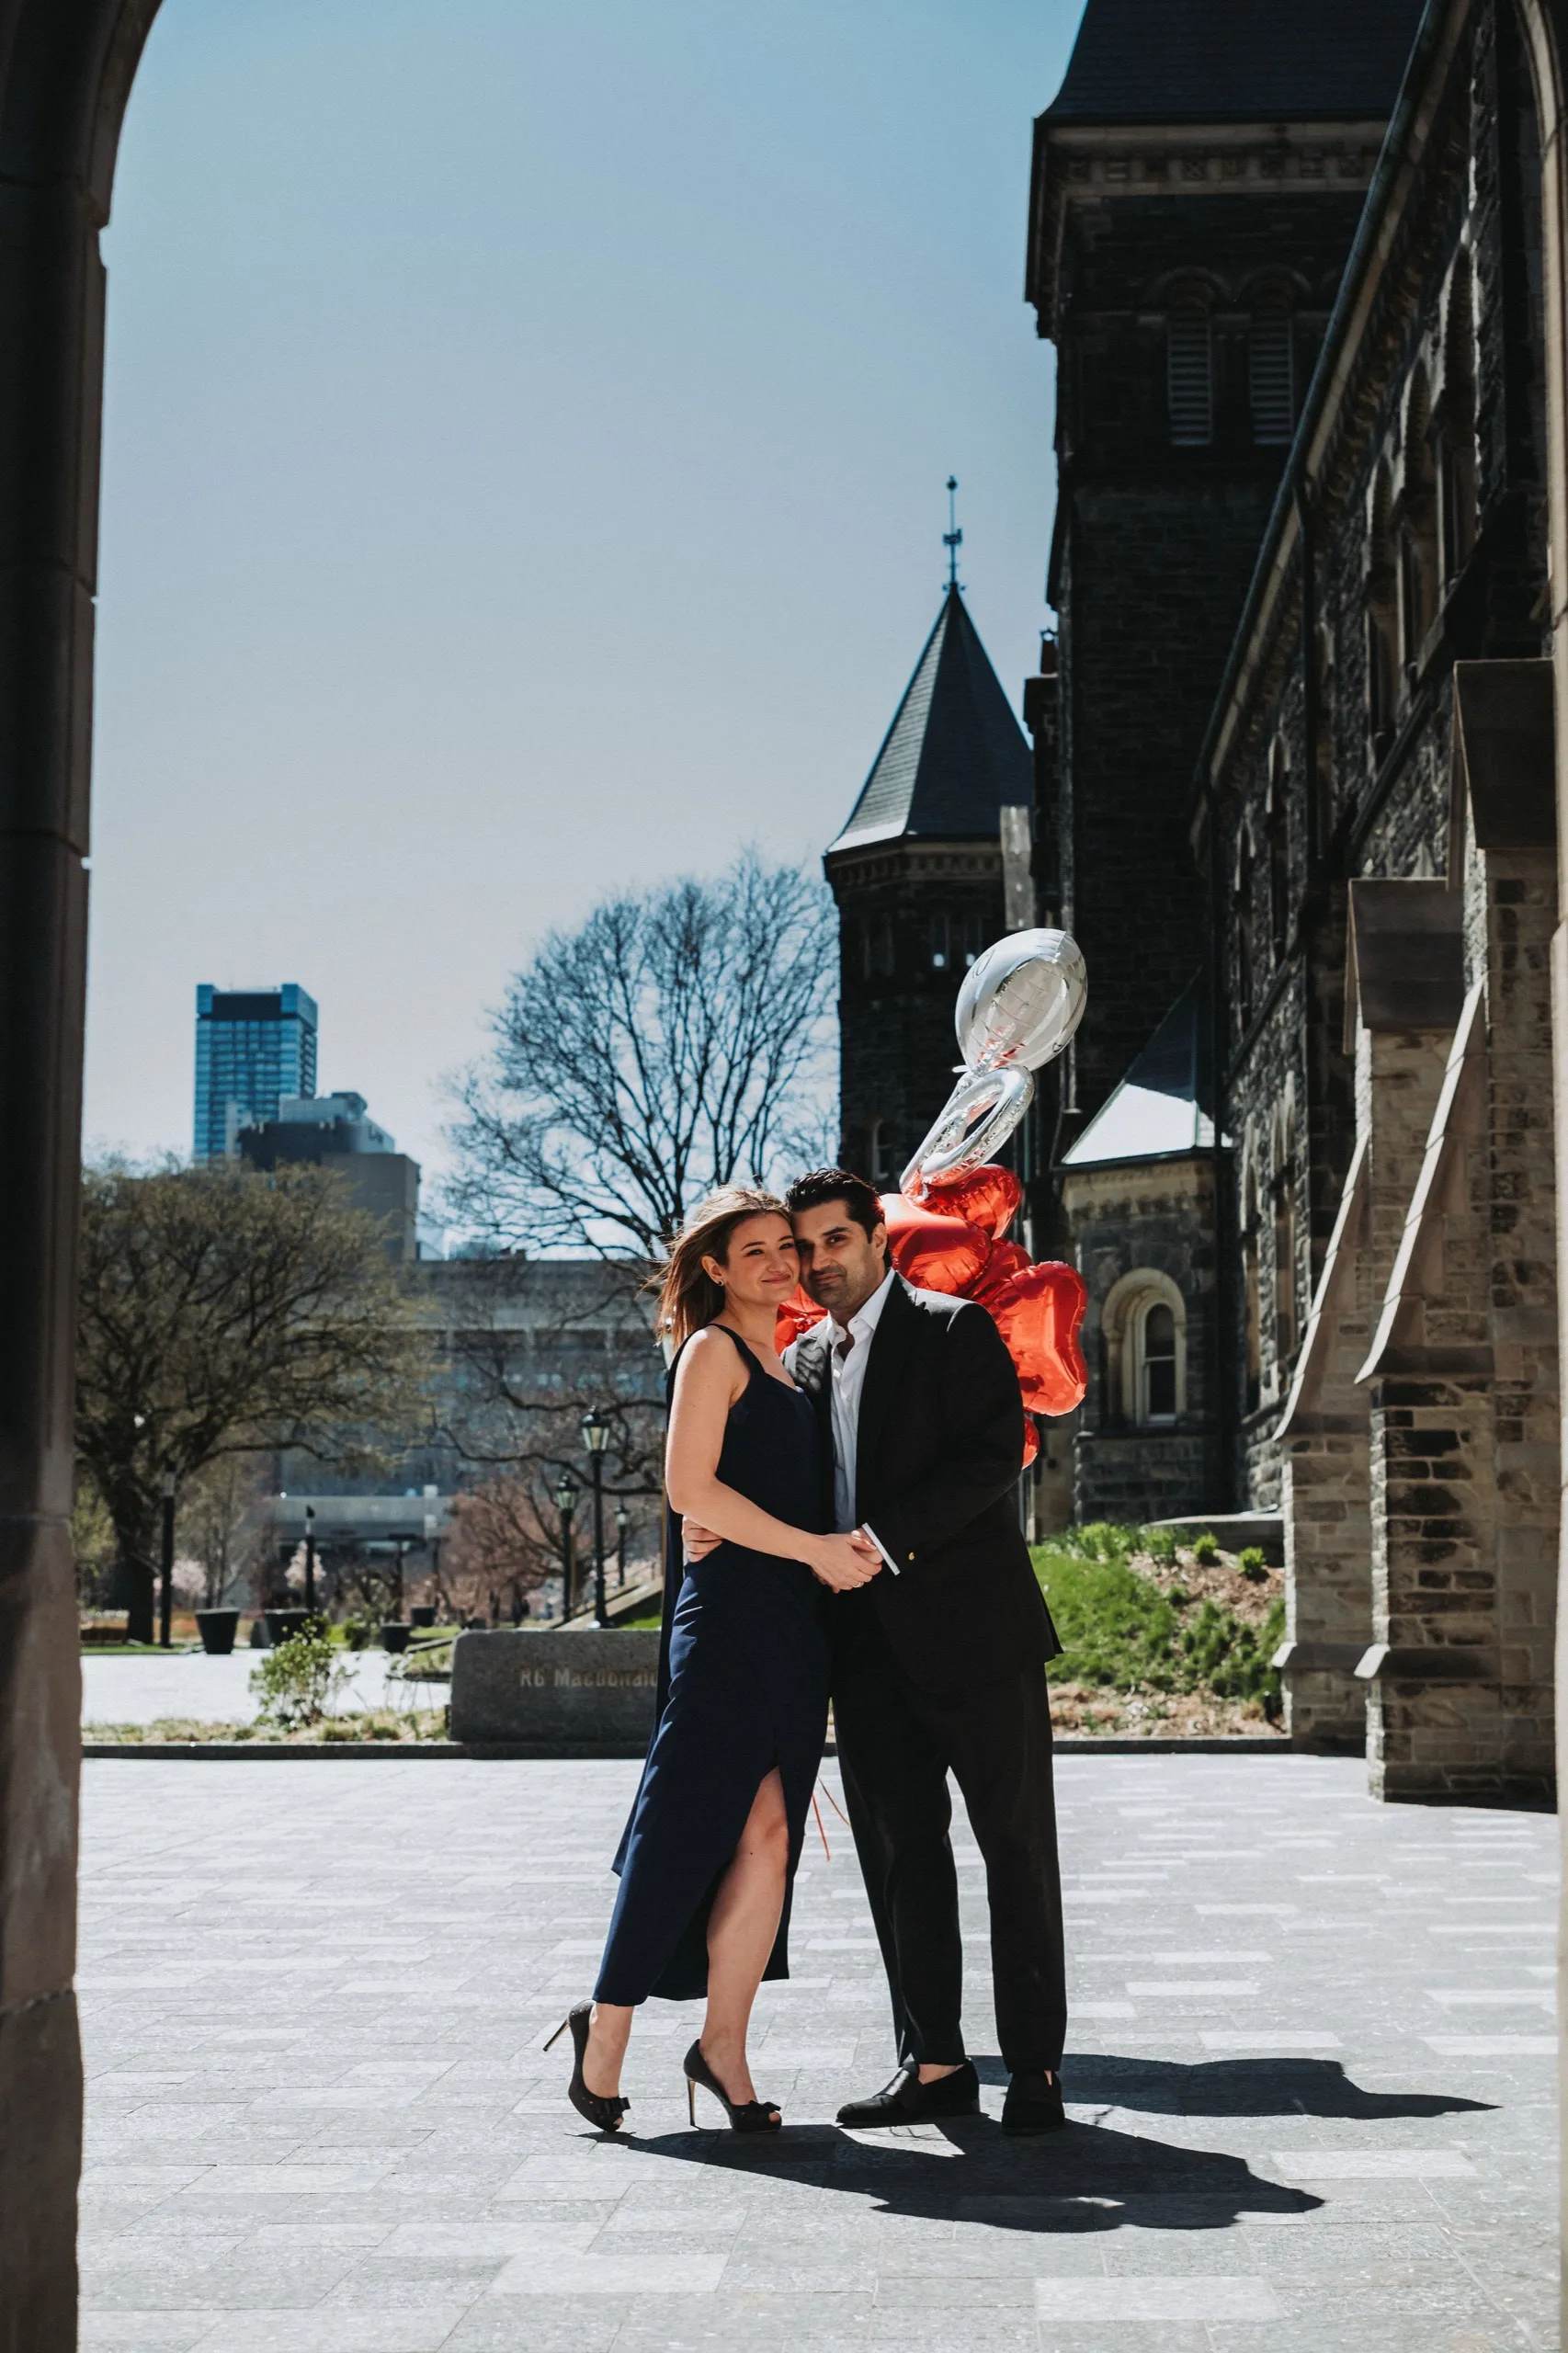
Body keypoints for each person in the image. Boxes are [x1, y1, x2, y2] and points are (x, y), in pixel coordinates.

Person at [691, 1167, 1068, 2134]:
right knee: (901, 1858)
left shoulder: (951, 1328)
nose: (814, 1263)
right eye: (800, 1247)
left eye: (831, 1241)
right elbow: (774, 1485)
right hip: (861, 1653)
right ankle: (933, 2061)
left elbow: (987, 1460)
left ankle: (1034, 2066)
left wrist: (880, 1543)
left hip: (978, 1638)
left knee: (1014, 1850)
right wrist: (715, 1528)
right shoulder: (801, 1361)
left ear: (875, 1240)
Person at [549, 1186, 882, 2137]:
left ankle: (722, 2044)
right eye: (758, 1251)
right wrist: (814, 1549)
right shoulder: (712, 1350)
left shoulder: (797, 1364)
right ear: (713, 1268)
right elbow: (688, 1486)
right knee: (683, 1826)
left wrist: (831, 1552)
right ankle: (604, 2029)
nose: (783, 1263)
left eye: (788, 1248)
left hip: (793, 1632)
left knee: (769, 1838)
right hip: (728, 1621)